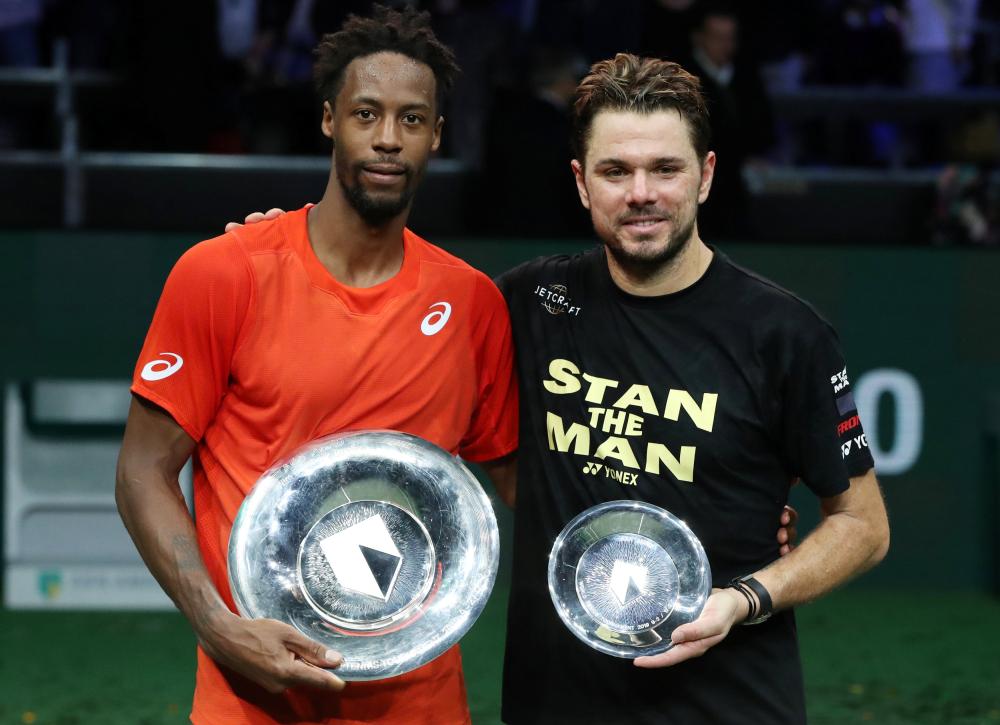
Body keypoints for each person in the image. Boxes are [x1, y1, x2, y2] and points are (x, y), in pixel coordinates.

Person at [115, 6, 518, 725]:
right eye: (367, 113)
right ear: (329, 119)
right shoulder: (224, 273)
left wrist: (722, 509)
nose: (389, 139)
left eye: (413, 119)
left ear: (437, 135)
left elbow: (527, 483)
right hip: (253, 697)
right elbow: (142, 470)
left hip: (416, 699)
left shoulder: (472, 303)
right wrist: (218, 623)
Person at [495, 54, 890, 724]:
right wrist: (261, 233)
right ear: (582, 183)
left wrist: (742, 597)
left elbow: (864, 525)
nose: (640, 191)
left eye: (665, 169)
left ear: (705, 175)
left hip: (725, 701)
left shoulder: (784, 333)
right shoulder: (531, 301)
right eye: (616, 171)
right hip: (555, 699)